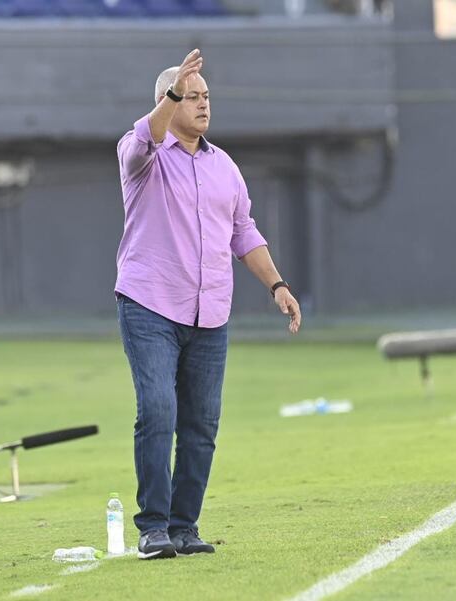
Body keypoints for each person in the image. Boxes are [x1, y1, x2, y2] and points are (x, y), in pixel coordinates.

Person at [114, 48, 302, 560]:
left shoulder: (225, 167)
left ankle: (183, 527)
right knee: (158, 409)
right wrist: (173, 90)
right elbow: (143, 140)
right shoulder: (142, 155)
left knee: (201, 424)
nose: (202, 104)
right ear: (167, 100)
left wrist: (277, 285)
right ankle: (153, 528)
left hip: (210, 312)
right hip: (150, 304)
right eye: (190, 96)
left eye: (206, 96)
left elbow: (244, 232)